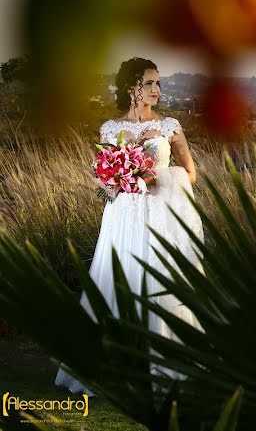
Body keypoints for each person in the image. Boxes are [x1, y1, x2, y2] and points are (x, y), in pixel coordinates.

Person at [54, 57, 204, 396]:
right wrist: (114, 182)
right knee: (120, 276)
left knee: (160, 279)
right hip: (124, 215)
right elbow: (102, 174)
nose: (157, 89)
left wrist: (159, 178)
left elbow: (190, 172)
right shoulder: (110, 129)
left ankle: (165, 363)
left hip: (162, 213)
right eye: (150, 83)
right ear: (130, 88)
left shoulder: (169, 127)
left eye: (158, 83)